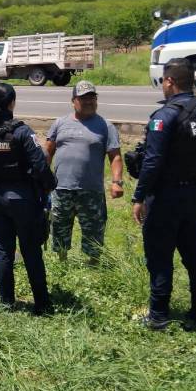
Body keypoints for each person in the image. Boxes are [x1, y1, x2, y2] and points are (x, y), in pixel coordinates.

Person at [132, 58, 196, 331]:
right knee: (195, 254)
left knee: (160, 256)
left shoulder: (165, 116)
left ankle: (158, 315)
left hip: (165, 197)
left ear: (170, 82)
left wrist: (138, 197)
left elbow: (152, 162)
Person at [0, 83, 56, 314]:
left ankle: (7, 303)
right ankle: (42, 305)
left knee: (3, 250)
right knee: (31, 251)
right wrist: (50, 186)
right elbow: (40, 164)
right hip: (22, 199)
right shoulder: (21, 131)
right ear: (11, 103)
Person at [45, 80, 123, 264]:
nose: (88, 101)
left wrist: (117, 182)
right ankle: (61, 261)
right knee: (59, 227)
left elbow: (116, 157)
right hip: (62, 189)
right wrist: (42, 179)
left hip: (91, 190)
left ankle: (93, 264)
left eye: (92, 97)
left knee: (94, 230)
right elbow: (48, 152)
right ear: (74, 101)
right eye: (83, 98)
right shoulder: (60, 123)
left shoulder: (106, 126)